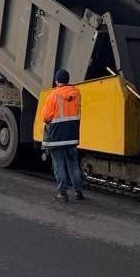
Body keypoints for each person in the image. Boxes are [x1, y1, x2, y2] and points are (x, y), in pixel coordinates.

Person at [42, 69, 85, 202]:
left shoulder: (53, 96)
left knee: (59, 164)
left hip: (57, 137)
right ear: (67, 80)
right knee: (73, 163)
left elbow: (46, 117)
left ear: (57, 81)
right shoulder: (77, 93)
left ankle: (62, 193)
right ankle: (79, 192)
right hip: (72, 135)